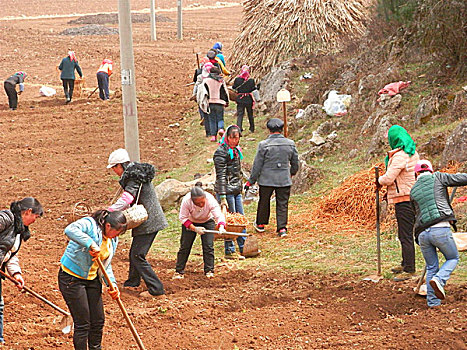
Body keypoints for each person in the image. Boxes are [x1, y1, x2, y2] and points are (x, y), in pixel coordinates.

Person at [58, 209, 127, 350]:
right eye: (117, 232)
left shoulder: (112, 240)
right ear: (108, 226)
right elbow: (70, 229)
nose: (117, 236)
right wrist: (90, 243)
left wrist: (111, 284)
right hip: (72, 279)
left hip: (92, 279)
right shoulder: (90, 224)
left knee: (97, 321)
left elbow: (106, 265)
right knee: (83, 323)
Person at [107, 148, 168, 297]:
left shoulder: (133, 178)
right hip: (149, 219)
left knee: (137, 255)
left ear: (120, 166)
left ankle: (156, 289)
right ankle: (132, 282)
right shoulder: (137, 174)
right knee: (135, 252)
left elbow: (127, 198)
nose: (114, 171)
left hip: (149, 221)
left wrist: (110, 209)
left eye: (114, 168)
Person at [410, 160, 467, 307]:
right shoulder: (439, 177)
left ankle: (433, 303)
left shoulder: (413, 190)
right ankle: (439, 280)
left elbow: (414, 215)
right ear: (431, 169)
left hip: (422, 234)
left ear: (416, 173)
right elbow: (461, 179)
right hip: (440, 227)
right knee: (452, 258)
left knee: (431, 267)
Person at [377, 125, 420, 281]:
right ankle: (405, 263)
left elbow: (389, 178)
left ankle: (409, 269)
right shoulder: (412, 151)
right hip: (411, 197)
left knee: (405, 235)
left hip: (404, 199)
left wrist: (378, 180)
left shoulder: (400, 156)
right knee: (404, 233)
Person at [245, 118, 299, 237]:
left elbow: (257, 165)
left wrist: (251, 181)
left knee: (264, 201)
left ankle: (260, 224)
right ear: (281, 129)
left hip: (266, 179)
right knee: (282, 203)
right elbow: (295, 163)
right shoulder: (290, 144)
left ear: (269, 130)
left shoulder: (264, 145)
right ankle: (282, 228)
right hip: (284, 179)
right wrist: (291, 173)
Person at [0, 197, 43, 344]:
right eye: (35, 217)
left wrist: (16, 274)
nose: (34, 221)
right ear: (28, 212)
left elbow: (10, 255)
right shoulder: (6, 218)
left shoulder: (18, 230)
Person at [174, 183, 226, 279]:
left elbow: (218, 215)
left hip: (207, 220)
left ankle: (209, 270)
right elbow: (183, 218)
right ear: (192, 201)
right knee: (185, 246)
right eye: (198, 203)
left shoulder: (210, 200)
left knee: (208, 246)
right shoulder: (186, 201)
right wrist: (194, 228)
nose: (201, 205)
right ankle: (179, 271)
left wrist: (221, 226)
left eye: (203, 202)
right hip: (191, 221)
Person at [214, 125, 246, 259]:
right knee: (229, 221)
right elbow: (221, 175)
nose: (234, 140)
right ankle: (230, 250)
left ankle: (244, 246)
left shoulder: (236, 151)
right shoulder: (221, 152)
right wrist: (222, 197)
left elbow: (238, 171)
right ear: (227, 137)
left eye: (237, 138)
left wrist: (242, 185)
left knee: (241, 219)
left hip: (236, 189)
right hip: (226, 191)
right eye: (232, 138)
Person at [203, 66, 229, 142]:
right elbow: (224, 92)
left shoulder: (206, 81)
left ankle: (213, 136)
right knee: (220, 118)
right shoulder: (221, 81)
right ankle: (221, 129)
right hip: (220, 102)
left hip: (210, 102)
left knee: (212, 119)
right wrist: (227, 101)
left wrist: (204, 103)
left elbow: (204, 93)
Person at [232, 65, 256, 133]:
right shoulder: (251, 80)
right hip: (248, 99)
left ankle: (239, 128)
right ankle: (252, 128)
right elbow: (253, 89)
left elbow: (234, 87)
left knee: (240, 114)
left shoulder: (237, 79)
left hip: (240, 99)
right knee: (250, 114)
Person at [194, 60, 214, 137]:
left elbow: (196, 86)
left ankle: (208, 132)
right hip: (212, 98)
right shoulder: (214, 77)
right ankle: (213, 132)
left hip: (203, 98)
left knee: (205, 114)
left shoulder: (200, 77)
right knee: (212, 116)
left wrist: (194, 95)